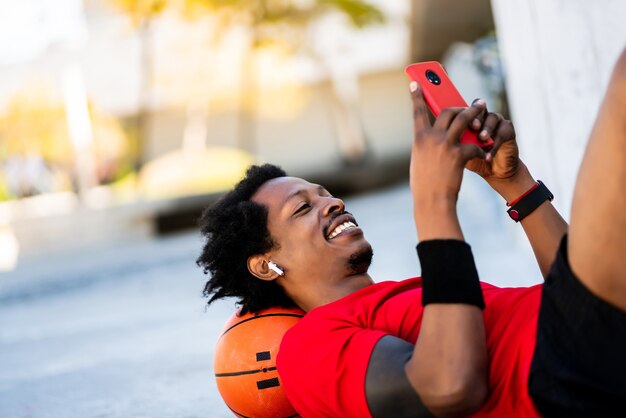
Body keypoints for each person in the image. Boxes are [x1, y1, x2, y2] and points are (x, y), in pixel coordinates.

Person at [198, 47, 626, 418]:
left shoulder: (405, 295)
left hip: (588, 338)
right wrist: (433, 200)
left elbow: (566, 293)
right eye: (304, 208)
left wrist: (515, 184)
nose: (334, 203)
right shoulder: (304, 349)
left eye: (326, 194)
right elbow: (448, 388)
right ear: (265, 265)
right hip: (563, 374)